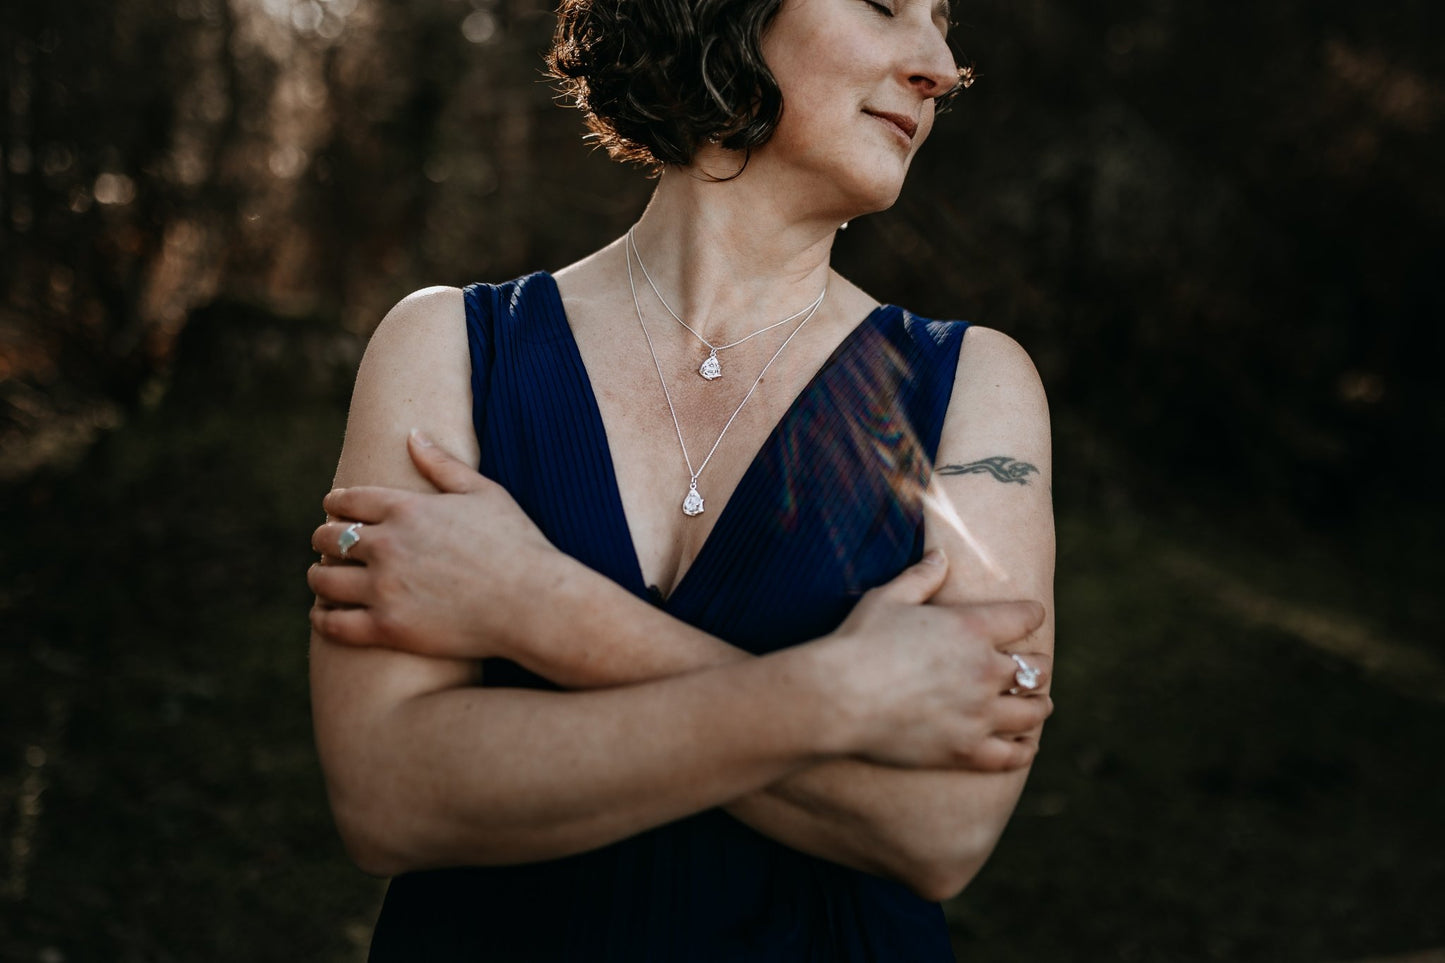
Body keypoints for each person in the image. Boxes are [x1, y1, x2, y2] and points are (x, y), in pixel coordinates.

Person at [306, 0, 1055, 958]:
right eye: (882, 3)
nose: (941, 67)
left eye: (944, 22)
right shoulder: (447, 346)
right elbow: (388, 795)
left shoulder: (974, 387)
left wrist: (541, 604)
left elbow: (939, 826)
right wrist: (844, 696)